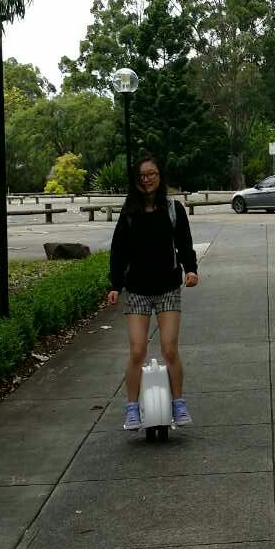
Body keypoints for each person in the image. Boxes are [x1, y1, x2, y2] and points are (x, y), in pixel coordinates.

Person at [107, 154, 199, 430]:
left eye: (152, 174)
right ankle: (131, 408)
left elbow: (184, 243)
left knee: (169, 349)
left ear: (160, 177)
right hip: (137, 290)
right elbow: (118, 250)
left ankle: (178, 403)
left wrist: (191, 269)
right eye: (142, 176)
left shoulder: (173, 209)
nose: (147, 180)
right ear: (136, 181)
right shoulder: (129, 212)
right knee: (137, 351)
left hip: (167, 287)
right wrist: (115, 285)